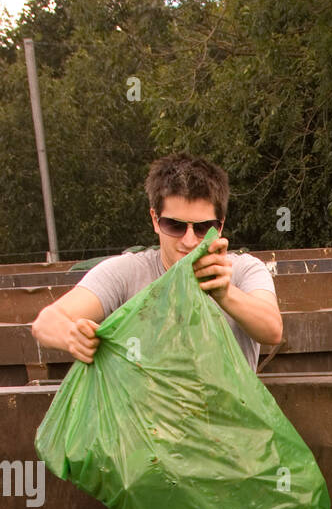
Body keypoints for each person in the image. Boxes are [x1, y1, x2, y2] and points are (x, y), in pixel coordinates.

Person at [31, 154, 283, 372]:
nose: (188, 240)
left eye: (203, 228)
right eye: (174, 225)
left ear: (221, 225)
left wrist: (226, 294)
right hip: (144, 427)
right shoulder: (126, 272)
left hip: (226, 426)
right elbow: (46, 322)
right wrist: (72, 337)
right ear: (155, 219)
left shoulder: (244, 270)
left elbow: (272, 330)